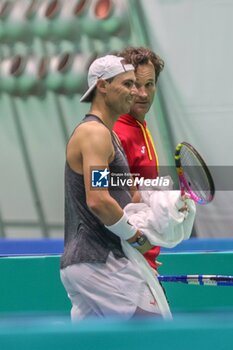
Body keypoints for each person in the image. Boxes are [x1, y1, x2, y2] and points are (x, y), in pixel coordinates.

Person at [60, 54, 164, 320]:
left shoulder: (108, 136)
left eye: (138, 84)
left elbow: (128, 193)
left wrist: (169, 205)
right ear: (102, 86)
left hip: (91, 262)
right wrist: (137, 239)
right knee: (155, 336)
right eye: (127, 83)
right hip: (100, 260)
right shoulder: (94, 134)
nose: (135, 91)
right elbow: (98, 199)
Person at [113, 47, 165, 271]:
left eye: (150, 84)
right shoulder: (115, 132)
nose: (143, 94)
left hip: (140, 256)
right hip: (121, 260)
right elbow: (106, 198)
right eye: (135, 85)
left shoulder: (140, 127)